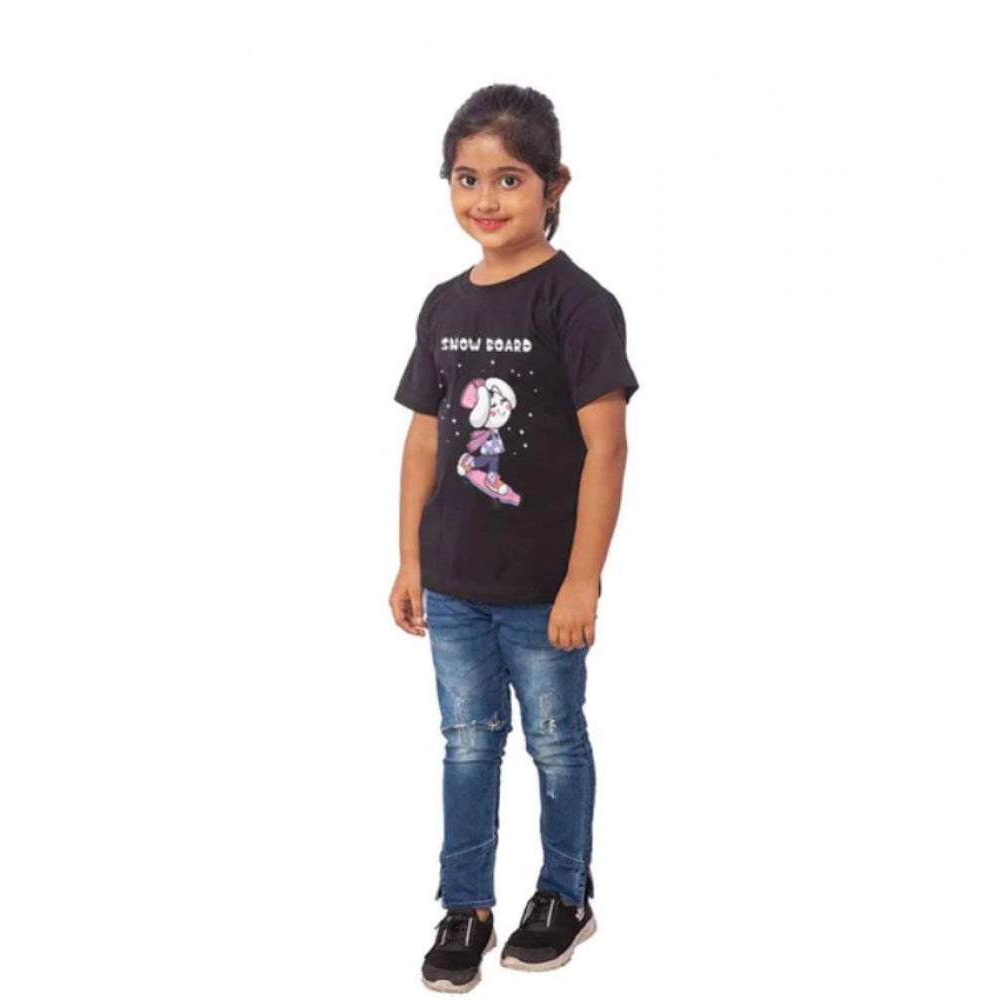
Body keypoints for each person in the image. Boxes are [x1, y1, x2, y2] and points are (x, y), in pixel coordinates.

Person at [390, 83, 639, 993]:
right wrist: (411, 558)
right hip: (454, 584)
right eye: (466, 178)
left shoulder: (577, 304)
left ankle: (564, 893)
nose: (485, 200)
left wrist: (583, 580)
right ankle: (466, 905)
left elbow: (608, 447)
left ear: (553, 184)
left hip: (542, 590)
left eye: (508, 179)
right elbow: (425, 437)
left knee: (555, 741)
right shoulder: (444, 306)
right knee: (467, 743)